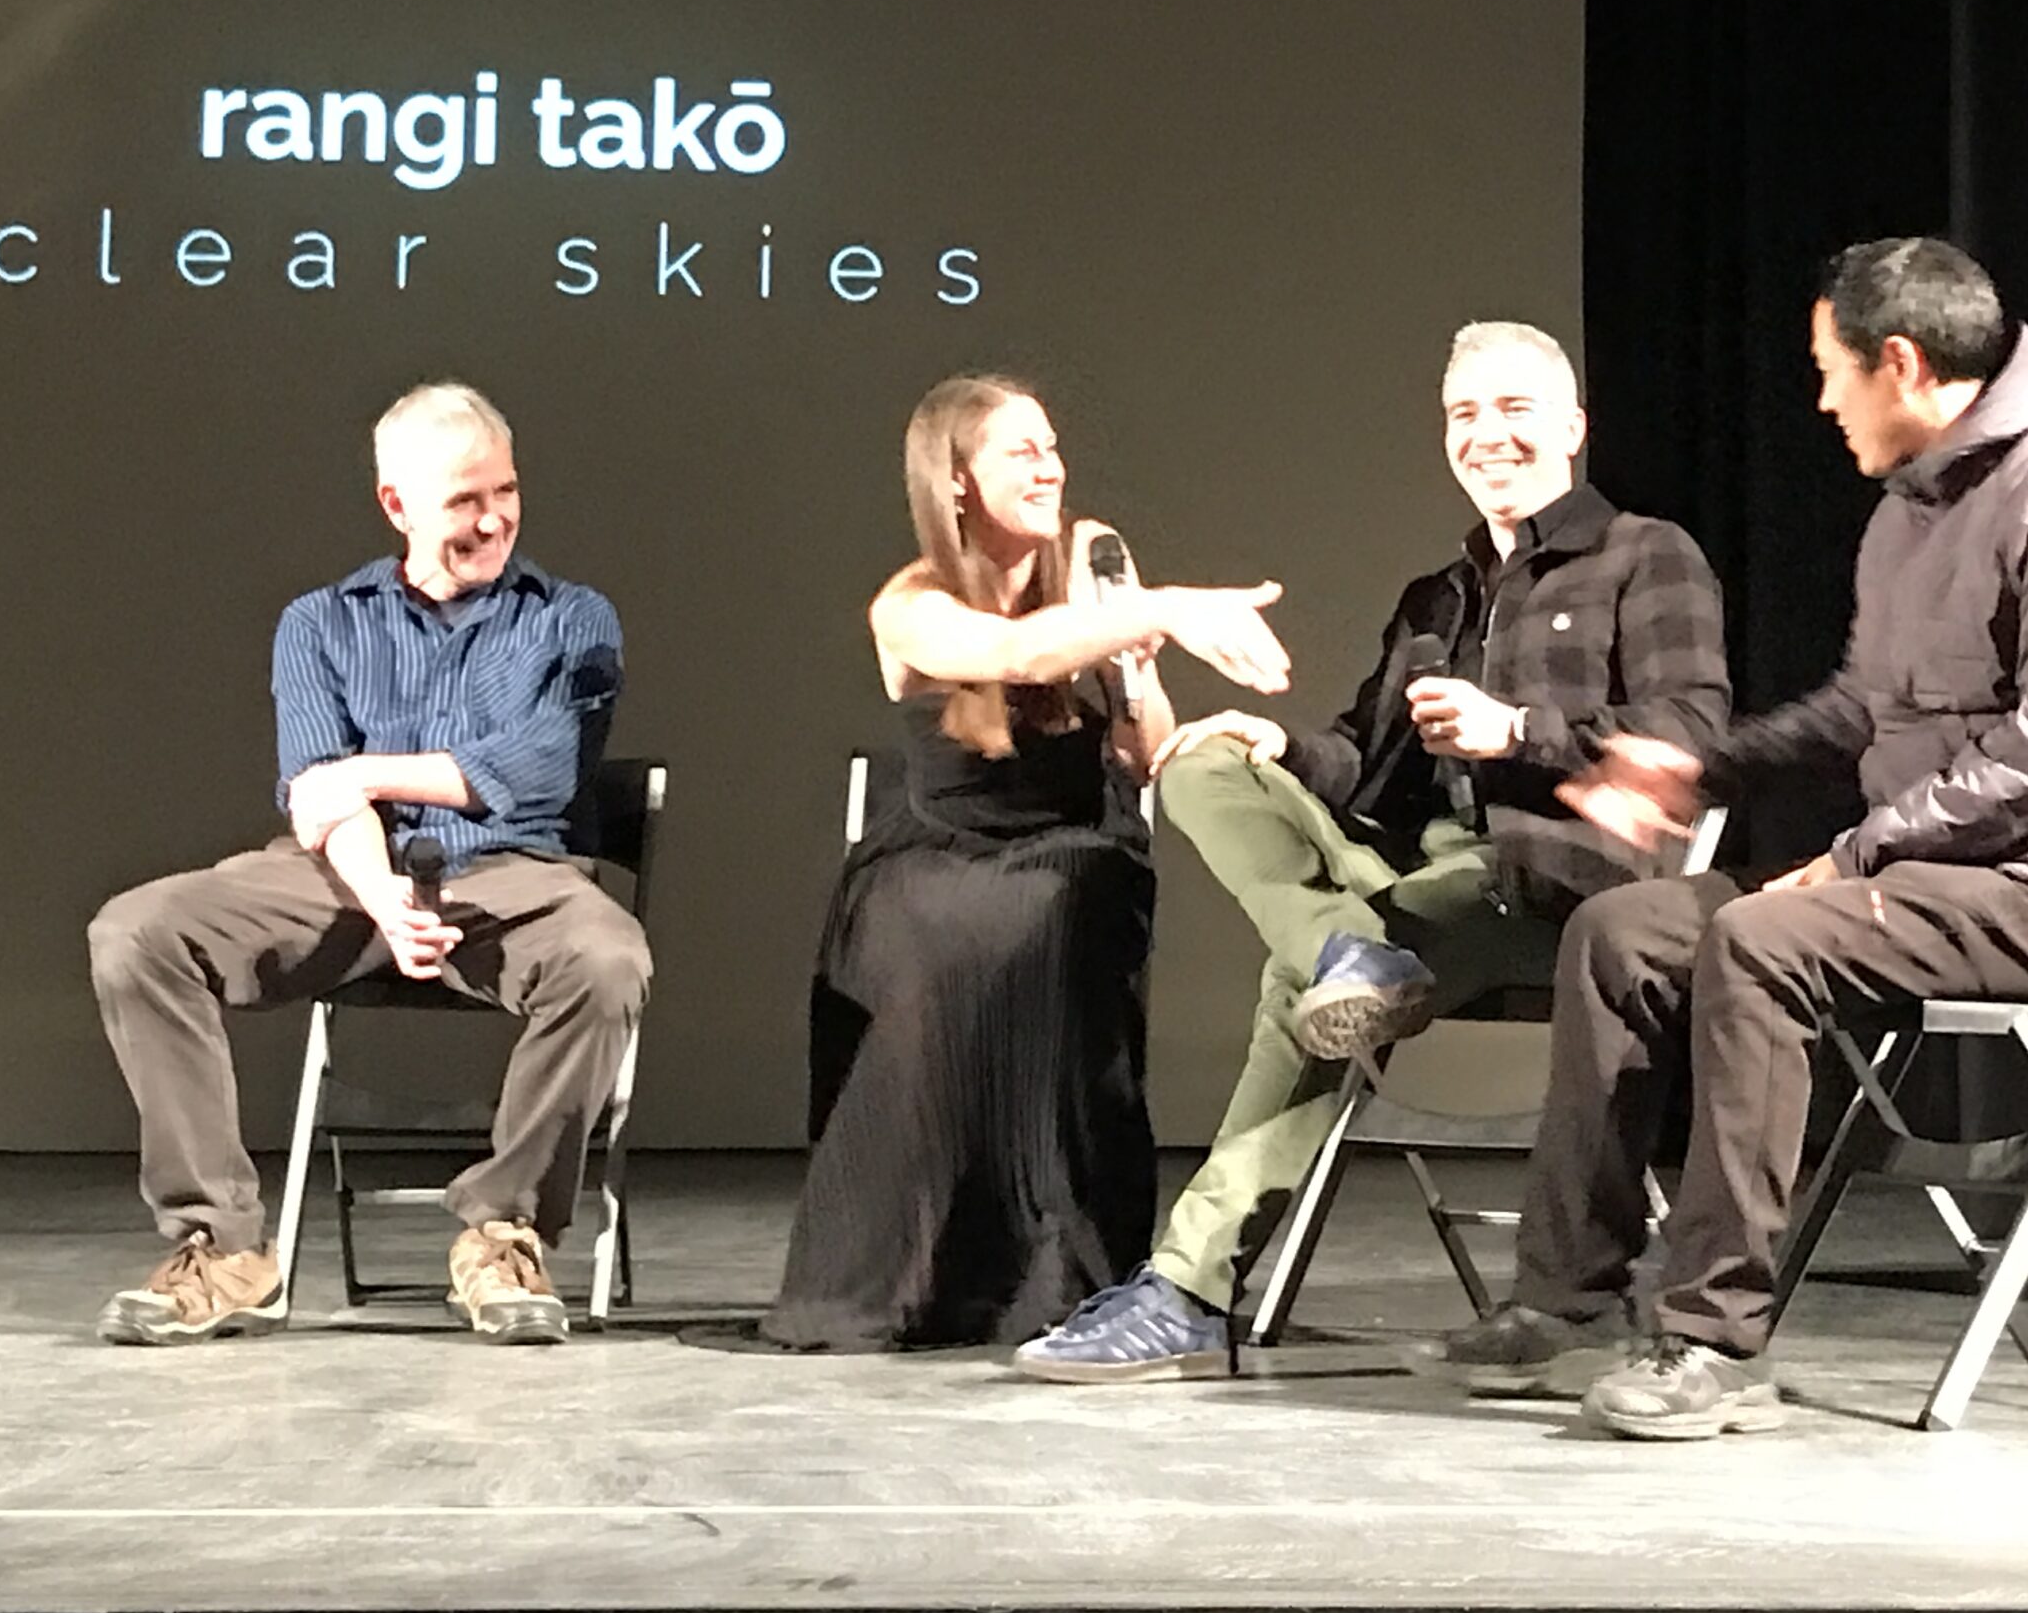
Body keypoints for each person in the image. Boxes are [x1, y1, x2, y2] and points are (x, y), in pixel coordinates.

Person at [1433, 237, 2028, 1438]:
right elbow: (1859, 705)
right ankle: (1569, 1296)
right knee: (1622, 929)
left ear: (1898, 364)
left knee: (1756, 939)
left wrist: (1856, 855)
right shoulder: (1908, 516)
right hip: (1923, 876)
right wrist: (1696, 764)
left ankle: (1710, 1339)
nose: (1821, 399)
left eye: (1831, 371)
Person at [1015, 321, 1730, 1381]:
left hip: (1549, 885)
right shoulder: (1432, 599)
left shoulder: (1644, 554)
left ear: (1572, 426)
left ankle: (1186, 1287)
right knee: (1200, 765)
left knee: (1297, 978)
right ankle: (1347, 954)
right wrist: (1285, 749)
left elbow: (1697, 739)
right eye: (1462, 415)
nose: (1485, 435)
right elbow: (1367, 766)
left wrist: (1516, 731)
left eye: (1512, 409)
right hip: (1410, 869)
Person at [85, 382, 640, 1347]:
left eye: (504, 491)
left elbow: (538, 770)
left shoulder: (573, 618)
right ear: (399, 507)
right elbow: (314, 795)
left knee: (607, 958)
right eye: (465, 499)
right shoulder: (319, 622)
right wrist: (385, 900)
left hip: (506, 873)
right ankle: (220, 1248)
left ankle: (504, 1232)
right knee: (136, 933)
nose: (494, 518)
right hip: (343, 878)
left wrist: (366, 772)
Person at [758, 373, 1295, 1351]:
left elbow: (1142, 755)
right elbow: (1014, 657)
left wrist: (1137, 669)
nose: (1049, 467)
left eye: (1052, 447)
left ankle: (1059, 1276)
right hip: (935, 852)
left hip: (1071, 845)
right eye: (1020, 451)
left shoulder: (1089, 564)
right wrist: (1166, 608)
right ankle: (909, 1279)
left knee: (1070, 901)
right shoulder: (911, 604)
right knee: (932, 939)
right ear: (955, 480)